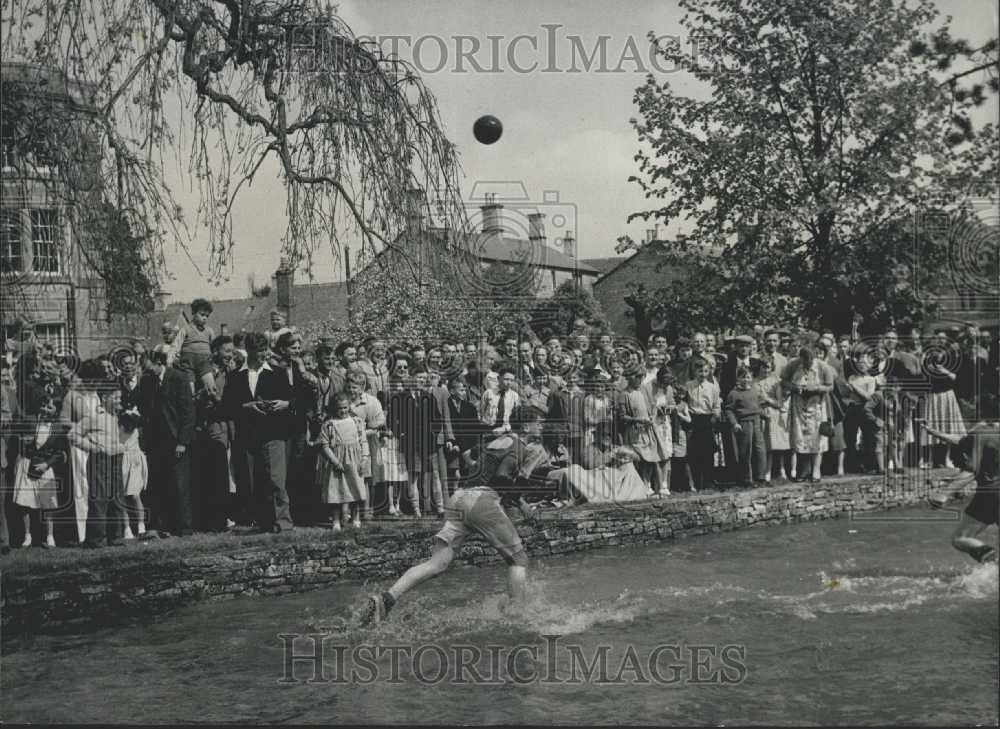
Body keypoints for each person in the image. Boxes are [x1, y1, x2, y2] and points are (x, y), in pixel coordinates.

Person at [363, 405, 553, 625]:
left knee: (437, 564)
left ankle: (386, 599)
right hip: (480, 501)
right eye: (539, 422)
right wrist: (521, 496)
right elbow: (501, 478)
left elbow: (476, 459)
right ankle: (517, 616)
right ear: (527, 425)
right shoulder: (519, 446)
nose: (542, 427)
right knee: (518, 559)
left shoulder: (501, 439)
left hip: (458, 498)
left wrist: (517, 500)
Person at [221, 333, 295, 533]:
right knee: (251, 480)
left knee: (276, 479)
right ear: (250, 351)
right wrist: (247, 406)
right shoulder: (236, 375)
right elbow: (227, 407)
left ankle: (283, 522)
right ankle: (258, 520)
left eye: (265, 350)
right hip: (247, 434)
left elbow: (294, 400)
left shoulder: (277, 373)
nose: (263, 354)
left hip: (273, 433)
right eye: (259, 351)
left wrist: (285, 404)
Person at [921, 420, 998, 563]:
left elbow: (971, 471)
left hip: (992, 493)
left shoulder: (978, 435)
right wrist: (932, 431)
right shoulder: (991, 435)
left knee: (961, 538)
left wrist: (943, 494)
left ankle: (991, 558)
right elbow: (960, 440)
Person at [12, 389, 64, 549]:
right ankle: (27, 536)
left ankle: (50, 536)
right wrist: (23, 447)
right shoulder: (29, 421)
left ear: (56, 409)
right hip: (26, 464)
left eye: (50, 407)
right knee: (25, 503)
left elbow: (60, 454)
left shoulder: (58, 428)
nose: (46, 409)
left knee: (48, 504)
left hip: (45, 467)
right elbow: (18, 439)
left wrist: (46, 464)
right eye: (44, 406)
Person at [316, 393, 369, 531]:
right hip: (337, 461)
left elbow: (363, 441)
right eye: (340, 408)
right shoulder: (329, 424)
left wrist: (364, 459)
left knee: (355, 489)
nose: (343, 411)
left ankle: (356, 518)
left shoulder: (356, 421)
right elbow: (325, 445)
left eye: (345, 408)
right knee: (336, 491)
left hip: (354, 461)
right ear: (335, 408)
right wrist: (335, 461)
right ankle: (336, 521)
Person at [782, 346, 834, 483]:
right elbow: (784, 381)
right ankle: (803, 471)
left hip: (817, 405)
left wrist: (816, 388)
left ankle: (816, 470)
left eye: (810, 360)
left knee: (817, 439)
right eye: (804, 360)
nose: (807, 363)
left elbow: (830, 386)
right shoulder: (793, 365)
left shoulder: (823, 367)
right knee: (800, 438)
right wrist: (795, 387)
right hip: (799, 405)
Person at [724, 367, 769, 488]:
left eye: (748, 377)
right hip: (744, 423)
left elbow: (758, 406)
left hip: (756, 422)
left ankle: (760, 477)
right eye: (743, 377)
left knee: (760, 449)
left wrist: (764, 414)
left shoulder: (755, 391)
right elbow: (729, 410)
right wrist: (734, 423)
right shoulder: (734, 393)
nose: (745, 379)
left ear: (752, 378)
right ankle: (746, 478)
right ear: (738, 378)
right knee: (745, 451)